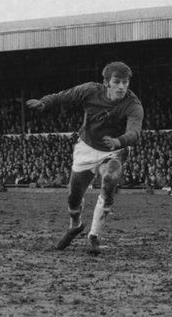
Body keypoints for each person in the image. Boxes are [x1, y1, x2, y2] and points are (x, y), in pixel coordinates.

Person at [26, 61, 143, 255]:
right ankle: (75, 225)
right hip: (86, 148)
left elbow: (135, 132)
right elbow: (64, 96)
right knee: (73, 196)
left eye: (125, 82)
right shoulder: (89, 90)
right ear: (106, 82)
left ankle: (94, 236)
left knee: (110, 179)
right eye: (117, 81)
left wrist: (118, 141)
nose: (122, 87)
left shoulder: (133, 104)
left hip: (114, 150)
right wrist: (45, 102)